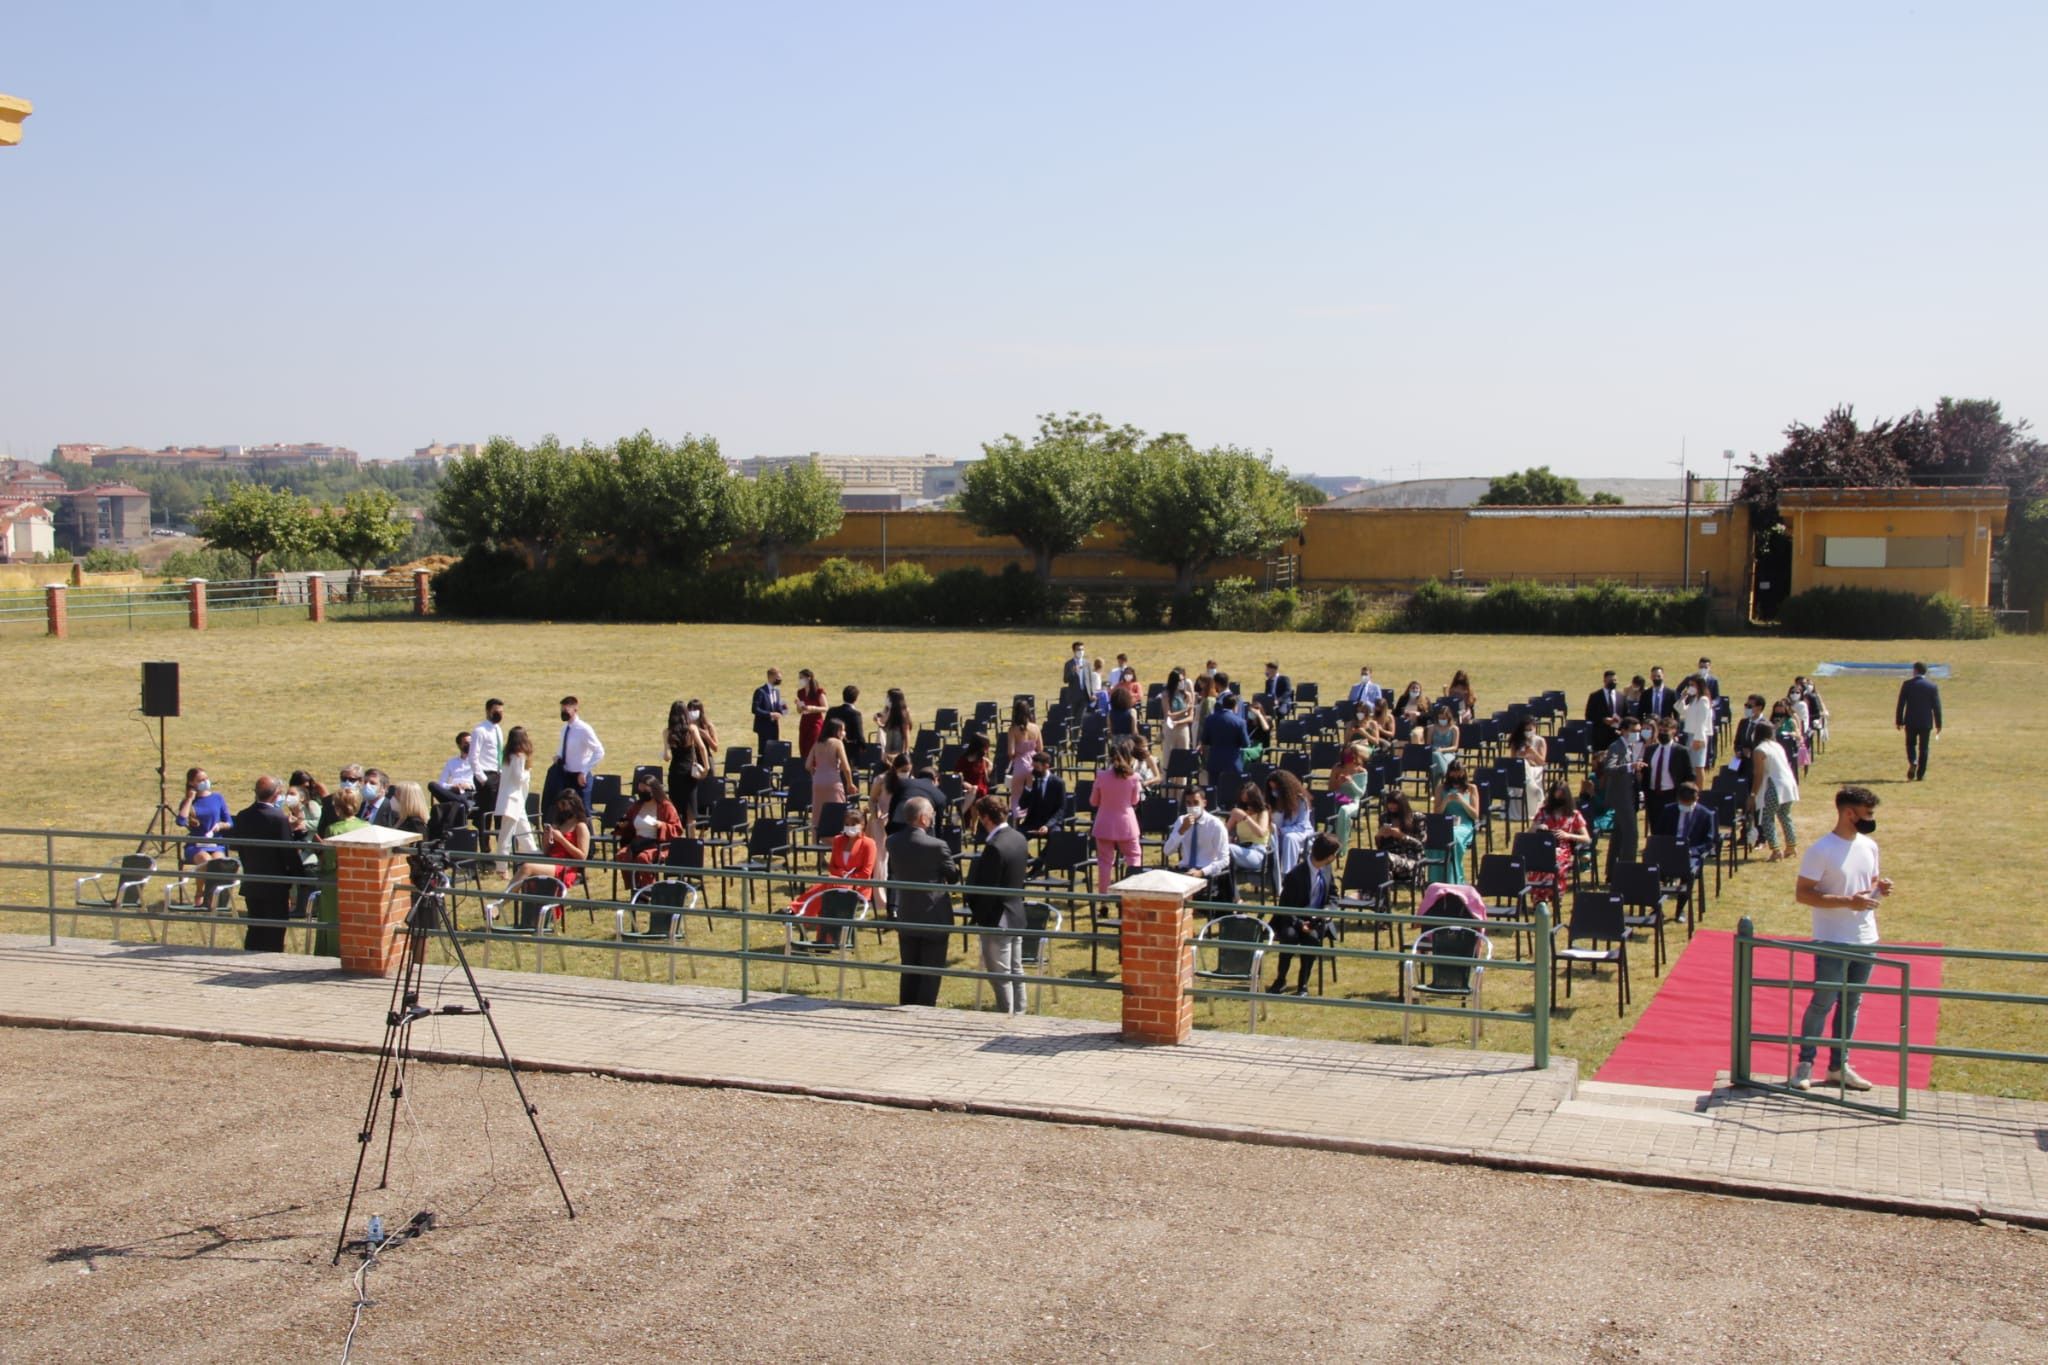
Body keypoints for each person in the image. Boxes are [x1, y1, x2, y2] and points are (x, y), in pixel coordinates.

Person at [1791, 786, 1893, 1091]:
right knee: (1823, 1002)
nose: (1871, 819)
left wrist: (1880, 889)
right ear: (1850, 813)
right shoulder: (1821, 850)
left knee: (1852, 1004)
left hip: (1865, 938)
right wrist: (1848, 901)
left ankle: (1839, 1065)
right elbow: (1803, 894)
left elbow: (1868, 883)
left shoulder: (1870, 846)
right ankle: (1805, 1063)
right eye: (1867, 813)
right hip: (1832, 939)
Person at [886, 796, 958, 1007]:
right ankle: (925, 1009)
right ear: (924, 819)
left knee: (909, 966)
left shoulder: (892, 842)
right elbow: (952, 876)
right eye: (932, 816)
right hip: (934, 915)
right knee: (931, 970)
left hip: (907, 912)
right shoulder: (937, 846)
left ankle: (906, 1006)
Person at [965, 794, 1030, 1015]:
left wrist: (979, 916)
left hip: (997, 917)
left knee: (1000, 975)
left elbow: (987, 889)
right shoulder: (1018, 837)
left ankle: (1007, 1017)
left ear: (985, 818)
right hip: (1016, 913)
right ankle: (1019, 1013)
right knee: (1016, 970)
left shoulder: (994, 846)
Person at [232, 775, 303, 953]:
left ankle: (251, 954)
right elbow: (288, 852)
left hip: (252, 881)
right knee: (274, 930)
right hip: (275, 884)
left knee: (255, 927)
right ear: (276, 794)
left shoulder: (243, 815)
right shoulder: (278, 818)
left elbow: (237, 845)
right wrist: (301, 876)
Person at [788, 803, 878, 936]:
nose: (850, 827)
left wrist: (846, 878)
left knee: (830, 884)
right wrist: (841, 874)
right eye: (847, 824)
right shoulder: (838, 840)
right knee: (831, 885)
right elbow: (832, 867)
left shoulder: (869, 844)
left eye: (854, 824)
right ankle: (824, 938)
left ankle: (797, 910)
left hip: (858, 886)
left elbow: (866, 873)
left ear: (862, 825)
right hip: (837, 881)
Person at [1268, 832, 1340, 996]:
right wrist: (1301, 924)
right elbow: (1285, 906)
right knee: (1289, 937)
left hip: (1316, 920)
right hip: (1293, 918)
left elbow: (1334, 895)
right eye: (1334, 855)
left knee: (1313, 939)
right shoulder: (1295, 875)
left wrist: (1328, 910)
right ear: (1328, 856)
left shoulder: (1327, 869)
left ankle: (1303, 984)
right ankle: (1281, 979)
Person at [1090, 739, 1143, 891]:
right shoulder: (1134, 778)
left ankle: (1104, 898)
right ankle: (1132, 894)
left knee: (1104, 863)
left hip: (1104, 824)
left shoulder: (1101, 776)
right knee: (1134, 858)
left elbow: (1093, 801)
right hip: (1127, 825)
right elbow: (1134, 800)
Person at [615, 775, 683, 889]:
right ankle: (634, 888)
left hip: (658, 845)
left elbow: (677, 829)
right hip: (638, 842)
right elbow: (628, 821)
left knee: (643, 858)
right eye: (640, 789)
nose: (642, 792)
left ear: (653, 789)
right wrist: (623, 825)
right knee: (621, 855)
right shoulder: (637, 806)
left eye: (645, 790)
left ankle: (648, 888)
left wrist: (662, 825)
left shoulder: (665, 806)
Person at [1527, 783, 1590, 906]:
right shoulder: (1543, 813)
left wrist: (1568, 835)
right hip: (1543, 848)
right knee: (1537, 865)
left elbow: (1586, 838)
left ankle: (1555, 894)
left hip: (1562, 849)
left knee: (1556, 863)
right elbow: (1529, 833)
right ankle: (1539, 899)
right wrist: (1538, 827)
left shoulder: (1574, 814)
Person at [544, 695, 605, 817]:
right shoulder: (565, 728)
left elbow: (599, 751)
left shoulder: (584, 729)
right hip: (566, 776)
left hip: (580, 778)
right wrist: (558, 757)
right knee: (565, 813)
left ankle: (589, 835)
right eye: (562, 710)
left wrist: (584, 771)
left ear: (575, 709)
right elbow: (564, 749)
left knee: (582, 813)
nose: (563, 713)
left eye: (566, 710)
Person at [1599, 716, 1645, 876]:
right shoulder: (1616, 746)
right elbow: (1609, 768)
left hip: (1630, 794)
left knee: (1618, 835)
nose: (1636, 734)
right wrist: (1629, 767)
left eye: (1638, 731)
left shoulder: (1635, 746)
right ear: (1624, 730)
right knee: (1632, 834)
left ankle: (1612, 873)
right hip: (1620, 796)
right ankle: (1627, 873)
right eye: (1633, 731)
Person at [1164, 785, 1231, 893]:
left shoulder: (1215, 825)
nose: (1192, 807)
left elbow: (1224, 859)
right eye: (1188, 803)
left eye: (1196, 803)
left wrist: (1202, 872)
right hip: (1185, 870)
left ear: (1204, 803)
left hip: (1205, 871)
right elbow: (1167, 851)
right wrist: (1181, 831)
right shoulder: (1182, 821)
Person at [520, 791, 592, 888]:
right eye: (559, 806)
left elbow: (582, 857)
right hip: (550, 863)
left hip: (566, 868)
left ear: (573, 805)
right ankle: (529, 901)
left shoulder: (580, 826)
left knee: (527, 868)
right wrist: (546, 837)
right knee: (524, 867)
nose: (561, 809)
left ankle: (503, 900)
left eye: (564, 805)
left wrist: (561, 839)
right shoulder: (559, 825)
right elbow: (546, 852)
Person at [1657, 779, 1718, 892]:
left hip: (1691, 854)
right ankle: (1656, 906)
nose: (1686, 808)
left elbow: (1709, 842)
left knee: (1688, 872)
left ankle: (1680, 908)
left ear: (1697, 799)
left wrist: (1693, 851)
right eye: (1683, 804)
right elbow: (1659, 835)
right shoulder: (1668, 811)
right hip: (1669, 851)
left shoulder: (1705, 815)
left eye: (1690, 805)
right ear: (1678, 799)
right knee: (1652, 869)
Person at [1640, 719, 1694, 842]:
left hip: (1671, 794)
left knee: (1671, 827)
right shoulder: (1650, 750)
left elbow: (1689, 774)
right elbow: (1646, 772)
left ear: (1674, 731)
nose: (1663, 733)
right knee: (1655, 826)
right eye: (1661, 730)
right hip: (1653, 794)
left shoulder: (1681, 751)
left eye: (1666, 731)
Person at [1749, 732, 1800, 861]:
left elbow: (1758, 774)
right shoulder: (1777, 746)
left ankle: (1776, 850)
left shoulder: (1759, 750)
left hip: (1775, 786)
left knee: (1767, 817)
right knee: (1785, 815)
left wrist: (1753, 794)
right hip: (1789, 784)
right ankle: (1791, 846)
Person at [663, 700, 709, 836]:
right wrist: (706, 767)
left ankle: (676, 840)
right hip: (688, 772)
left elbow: (667, 757)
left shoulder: (667, 732)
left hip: (675, 772)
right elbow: (701, 748)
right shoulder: (691, 729)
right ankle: (691, 842)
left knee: (676, 810)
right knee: (690, 812)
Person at [804, 717, 857, 835]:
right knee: (837, 811)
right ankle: (837, 840)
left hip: (818, 781)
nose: (844, 733)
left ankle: (817, 844)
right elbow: (846, 767)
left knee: (817, 814)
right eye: (842, 730)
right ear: (836, 731)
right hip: (833, 781)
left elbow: (808, 765)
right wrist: (850, 783)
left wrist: (816, 773)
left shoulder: (817, 743)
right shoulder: (837, 743)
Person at [176, 767, 232, 868]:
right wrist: (189, 799)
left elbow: (229, 822)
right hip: (196, 845)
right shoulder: (189, 802)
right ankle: (203, 884)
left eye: (206, 778)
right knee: (206, 861)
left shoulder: (217, 798)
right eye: (201, 780)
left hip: (215, 844)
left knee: (218, 863)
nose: (205, 782)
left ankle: (214, 884)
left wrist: (220, 826)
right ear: (192, 783)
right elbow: (181, 821)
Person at [1896, 661, 1943, 781]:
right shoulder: (1932, 686)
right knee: (1924, 748)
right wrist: (1938, 724)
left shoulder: (1907, 684)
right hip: (1926, 722)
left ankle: (1913, 761)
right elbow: (1936, 707)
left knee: (1910, 744)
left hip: (1911, 721)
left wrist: (1899, 720)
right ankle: (1920, 774)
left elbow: (1901, 704)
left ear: (1915, 670)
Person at [494, 726, 537, 858]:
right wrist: (527, 773)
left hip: (516, 801)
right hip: (512, 801)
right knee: (506, 836)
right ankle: (502, 867)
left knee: (525, 833)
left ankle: (535, 857)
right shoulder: (519, 756)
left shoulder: (508, 756)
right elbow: (518, 778)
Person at [1200, 691, 1251, 799]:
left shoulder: (1210, 719)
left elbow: (1205, 740)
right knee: (1233, 793)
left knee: (1214, 792)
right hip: (1232, 762)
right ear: (1235, 706)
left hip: (1215, 760)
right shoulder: (1240, 722)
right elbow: (1246, 744)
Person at [1435, 760, 1479, 883]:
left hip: (1464, 825)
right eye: (1453, 774)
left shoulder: (1471, 789)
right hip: (1446, 823)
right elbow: (1437, 813)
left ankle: (1454, 876)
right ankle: (1437, 877)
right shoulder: (1441, 788)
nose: (1456, 777)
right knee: (1436, 835)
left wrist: (1462, 801)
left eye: (1458, 774)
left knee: (1452, 835)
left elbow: (1475, 815)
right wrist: (1445, 801)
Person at [1265, 769, 1312, 881]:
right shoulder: (1272, 801)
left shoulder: (1301, 801)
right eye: (1271, 789)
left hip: (1300, 833)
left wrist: (1283, 831)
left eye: (1276, 789)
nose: (1274, 791)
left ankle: (1288, 875)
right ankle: (1271, 874)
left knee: (1289, 838)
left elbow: (1301, 826)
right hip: (1277, 834)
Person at [1224, 781, 1272, 886]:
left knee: (1227, 849)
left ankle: (1232, 894)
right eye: (1244, 802)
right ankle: (1228, 891)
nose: (1247, 805)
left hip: (1257, 852)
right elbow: (1223, 832)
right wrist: (1229, 836)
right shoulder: (1239, 812)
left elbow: (1261, 833)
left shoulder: (1263, 812)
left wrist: (1246, 818)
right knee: (1221, 849)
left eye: (1249, 801)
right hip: (1241, 849)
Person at [1326, 742, 1372, 848]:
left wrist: (1351, 782)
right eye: (1345, 755)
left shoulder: (1361, 771)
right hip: (1338, 798)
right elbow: (1331, 789)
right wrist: (1338, 782)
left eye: (1350, 755)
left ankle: (1341, 844)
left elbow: (1360, 793)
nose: (1348, 758)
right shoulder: (1337, 768)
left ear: (1355, 756)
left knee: (1344, 810)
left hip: (1353, 801)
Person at [1012, 749, 1067, 836]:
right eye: (1033, 767)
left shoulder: (1058, 783)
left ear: (1046, 766)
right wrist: (1028, 788)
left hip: (1051, 823)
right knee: (1016, 836)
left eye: (1036, 768)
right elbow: (1022, 805)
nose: (1034, 770)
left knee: (1056, 836)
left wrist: (1047, 826)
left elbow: (1061, 809)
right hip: (1033, 822)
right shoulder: (1032, 781)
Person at [1376, 792, 1426, 885]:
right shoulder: (1384, 817)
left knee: (1385, 858)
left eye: (1395, 803)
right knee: (1373, 858)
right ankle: (1372, 894)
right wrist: (1379, 836)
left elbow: (1421, 845)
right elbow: (1380, 847)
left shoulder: (1417, 818)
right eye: (1389, 803)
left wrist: (1402, 836)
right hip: (1390, 859)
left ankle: (1380, 895)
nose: (1391, 806)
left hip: (1411, 861)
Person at [470, 698, 505, 831]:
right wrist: (483, 779)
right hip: (486, 774)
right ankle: (484, 844)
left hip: (498, 774)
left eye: (501, 712)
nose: (499, 714)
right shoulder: (480, 730)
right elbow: (473, 757)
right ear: (488, 711)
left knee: (499, 811)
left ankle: (499, 841)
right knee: (485, 813)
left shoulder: (498, 729)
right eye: (496, 711)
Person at [428, 731, 476, 820]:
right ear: (459, 745)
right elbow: (441, 783)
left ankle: (461, 803)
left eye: (471, 743)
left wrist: (469, 786)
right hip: (452, 792)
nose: (469, 745)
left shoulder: (477, 761)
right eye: (466, 743)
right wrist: (452, 787)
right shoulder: (451, 762)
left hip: (469, 793)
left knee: (455, 803)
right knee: (432, 785)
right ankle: (462, 803)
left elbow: (482, 780)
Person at [1005, 700, 1042, 805]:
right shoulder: (1036, 728)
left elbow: (1011, 752)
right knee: (1034, 795)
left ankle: (1017, 819)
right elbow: (1040, 748)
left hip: (1020, 763)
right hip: (1034, 763)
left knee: (1017, 797)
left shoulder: (1013, 730)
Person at [1510, 717, 1547, 820]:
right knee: (1523, 765)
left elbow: (1542, 762)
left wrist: (1533, 753)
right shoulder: (1516, 742)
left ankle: (1534, 791)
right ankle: (1534, 790)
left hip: (1535, 769)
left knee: (1526, 765)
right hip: (1519, 769)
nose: (1528, 732)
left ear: (1535, 728)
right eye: (1526, 730)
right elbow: (1512, 761)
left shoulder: (1540, 741)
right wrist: (1522, 755)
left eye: (1530, 730)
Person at [1679, 678, 1715, 773]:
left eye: (1693, 685)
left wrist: (1698, 739)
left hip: (1698, 736)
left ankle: (1699, 788)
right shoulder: (1694, 700)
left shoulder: (1703, 700)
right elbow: (1683, 711)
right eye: (1689, 685)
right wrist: (1683, 699)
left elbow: (1701, 722)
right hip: (1691, 735)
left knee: (1698, 766)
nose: (1690, 687)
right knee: (1692, 766)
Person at [794, 668, 828, 758]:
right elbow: (799, 711)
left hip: (815, 722)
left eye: (801, 678)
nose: (800, 680)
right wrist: (798, 705)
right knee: (803, 745)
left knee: (813, 745)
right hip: (805, 721)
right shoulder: (800, 692)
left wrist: (812, 708)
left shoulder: (818, 691)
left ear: (808, 678)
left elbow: (825, 708)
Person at [752, 667, 788, 749]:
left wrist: (783, 709)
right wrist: (770, 714)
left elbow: (777, 708)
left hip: (774, 727)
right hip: (763, 727)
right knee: (763, 752)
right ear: (771, 677)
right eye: (777, 677)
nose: (779, 680)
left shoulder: (777, 691)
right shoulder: (760, 691)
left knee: (773, 752)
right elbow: (755, 709)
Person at [1585, 669, 1624, 745]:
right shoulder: (1595, 696)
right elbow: (1589, 715)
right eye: (1611, 680)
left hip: (1617, 735)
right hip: (1600, 736)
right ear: (1605, 681)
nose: (1614, 682)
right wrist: (1603, 720)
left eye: (1615, 680)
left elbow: (1626, 714)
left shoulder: (1621, 696)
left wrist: (1621, 723)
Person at [1426, 706, 1460, 785]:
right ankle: (1446, 775)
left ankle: (1434, 786)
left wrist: (1442, 750)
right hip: (1434, 752)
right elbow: (1428, 745)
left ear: (1448, 718)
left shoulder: (1454, 729)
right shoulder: (1432, 728)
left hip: (1448, 753)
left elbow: (1455, 747)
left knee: (1436, 763)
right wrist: (1436, 750)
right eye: (1440, 718)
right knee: (1436, 756)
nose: (1442, 720)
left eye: (1444, 718)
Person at [878, 687, 913, 757]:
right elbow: (882, 722)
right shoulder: (889, 710)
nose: (886, 699)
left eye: (888, 697)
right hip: (888, 742)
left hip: (897, 744)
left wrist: (906, 750)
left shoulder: (903, 712)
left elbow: (906, 732)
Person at [828, 684, 866, 750]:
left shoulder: (832, 711)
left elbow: (825, 729)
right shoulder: (855, 714)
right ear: (856, 698)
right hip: (849, 750)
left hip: (831, 747)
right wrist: (864, 747)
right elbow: (859, 736)